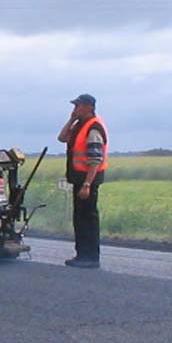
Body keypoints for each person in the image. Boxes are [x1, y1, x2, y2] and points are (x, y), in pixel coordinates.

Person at [57, 93, 108, 269]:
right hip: (79, 181)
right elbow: (62, 137)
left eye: (78, 106)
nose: (75, 109)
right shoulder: (80, 125)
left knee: (88, 220)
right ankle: (82, 255)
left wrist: (87, 184)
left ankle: (91, 257)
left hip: (88, 182)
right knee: (80, 219)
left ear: (89, 107)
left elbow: (95, 159)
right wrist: (71, 120)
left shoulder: (93, 128)